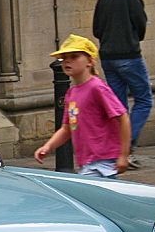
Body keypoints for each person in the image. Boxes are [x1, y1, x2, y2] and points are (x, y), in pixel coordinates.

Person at [34, 34, 130, 178]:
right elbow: (66, 128)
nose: (67, 61)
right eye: (64, 58)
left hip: (103, 161)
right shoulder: (71, 93)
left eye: (74, 56)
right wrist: (48, 146)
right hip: (87, 162)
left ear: (89, 62)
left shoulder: (97, 87)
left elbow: (122, 117)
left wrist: (123, 155)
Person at [93, 0, 152, 169]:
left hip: (108, 58)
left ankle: (118, 150)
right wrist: (134, 37)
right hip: (129, 55)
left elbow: (96, 30)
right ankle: (126, 146)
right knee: (144, 100)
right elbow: (141, 23)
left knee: (118, 107)